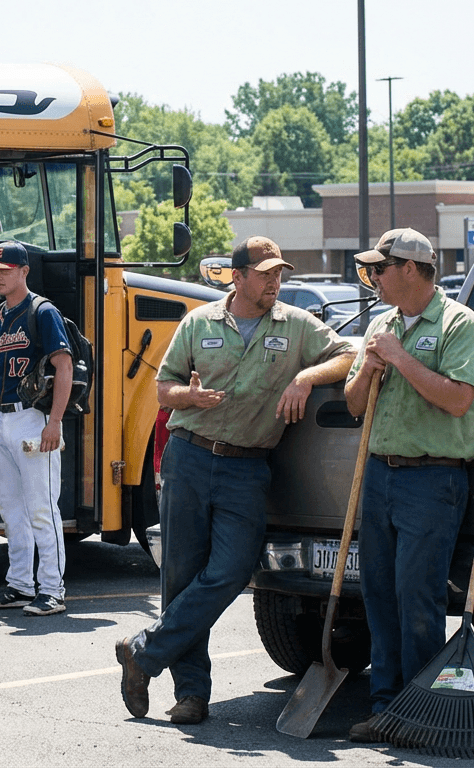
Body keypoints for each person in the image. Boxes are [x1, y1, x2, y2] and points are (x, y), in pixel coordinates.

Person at [114, 236, 354, 725]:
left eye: (278, 272)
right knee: (180, 579)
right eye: (265, 273)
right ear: (238, 276)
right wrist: (189, 397)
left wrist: (305, 379)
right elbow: (163, 389)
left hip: (248, 465)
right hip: (189, 458)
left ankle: (143, 652)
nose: (274, 281)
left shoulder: (295, 323)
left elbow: (349, 352)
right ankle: (191, 695)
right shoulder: (198, 322)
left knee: (232, 569)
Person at [342, 228, 474, 743]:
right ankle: (386, 707)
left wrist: (400, 358)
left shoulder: (459, 324)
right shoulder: (382, 324)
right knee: (379, 594)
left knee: (417, 599)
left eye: (379, 269)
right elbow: (356, 405)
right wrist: (369, 369)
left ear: (409, 269)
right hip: (381, 472)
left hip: (432, 477)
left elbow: (457, 401)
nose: (373, 277)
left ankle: (423, 713)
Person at [0, 241, 74, 617]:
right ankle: (19, 585)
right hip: (2, 417)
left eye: (5, 269)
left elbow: (64, 366)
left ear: (23, 271)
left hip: (34, 417)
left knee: (42, 508)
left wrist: (55, 422)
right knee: (10, 510)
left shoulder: (42, 311)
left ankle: (52, 589)